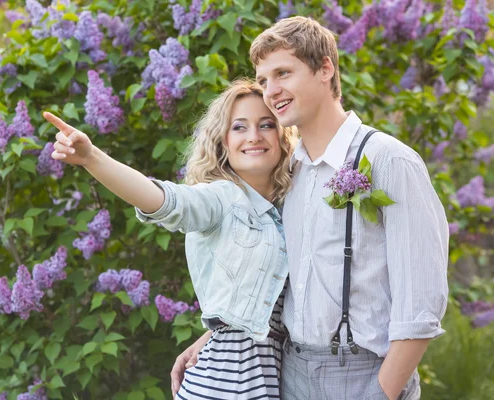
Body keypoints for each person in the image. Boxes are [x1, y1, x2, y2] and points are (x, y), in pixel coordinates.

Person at [172, 16, 449, 400]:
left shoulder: (388, 161)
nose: (271, 91)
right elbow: (275, 280)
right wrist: (213, 336)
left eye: (283, 73)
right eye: (264, 79)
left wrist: (379, 393)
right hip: (289, 377)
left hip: (364, 375)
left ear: (325, 69)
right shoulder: (288, 174)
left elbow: (421, 306)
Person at [44, 79, 298, 399]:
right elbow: (160, 199)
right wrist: (92, 157)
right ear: (223, 141)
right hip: (222, 387)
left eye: (266, 124)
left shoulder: (288, 209)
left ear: (282, 135)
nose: (254, 136)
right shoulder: (220, 200)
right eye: (239, 127)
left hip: (267, 384)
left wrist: (206, 336)